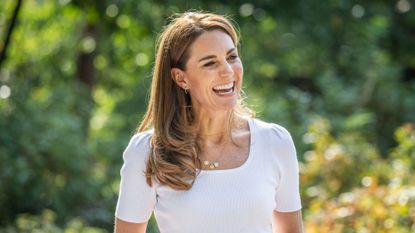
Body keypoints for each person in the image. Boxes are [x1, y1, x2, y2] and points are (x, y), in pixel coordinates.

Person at [114, 11, 303, 233]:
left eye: (232, 57)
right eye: (210, 63)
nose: (228, 71)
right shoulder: (148, 152)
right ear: (180, 78)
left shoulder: (275, 142)